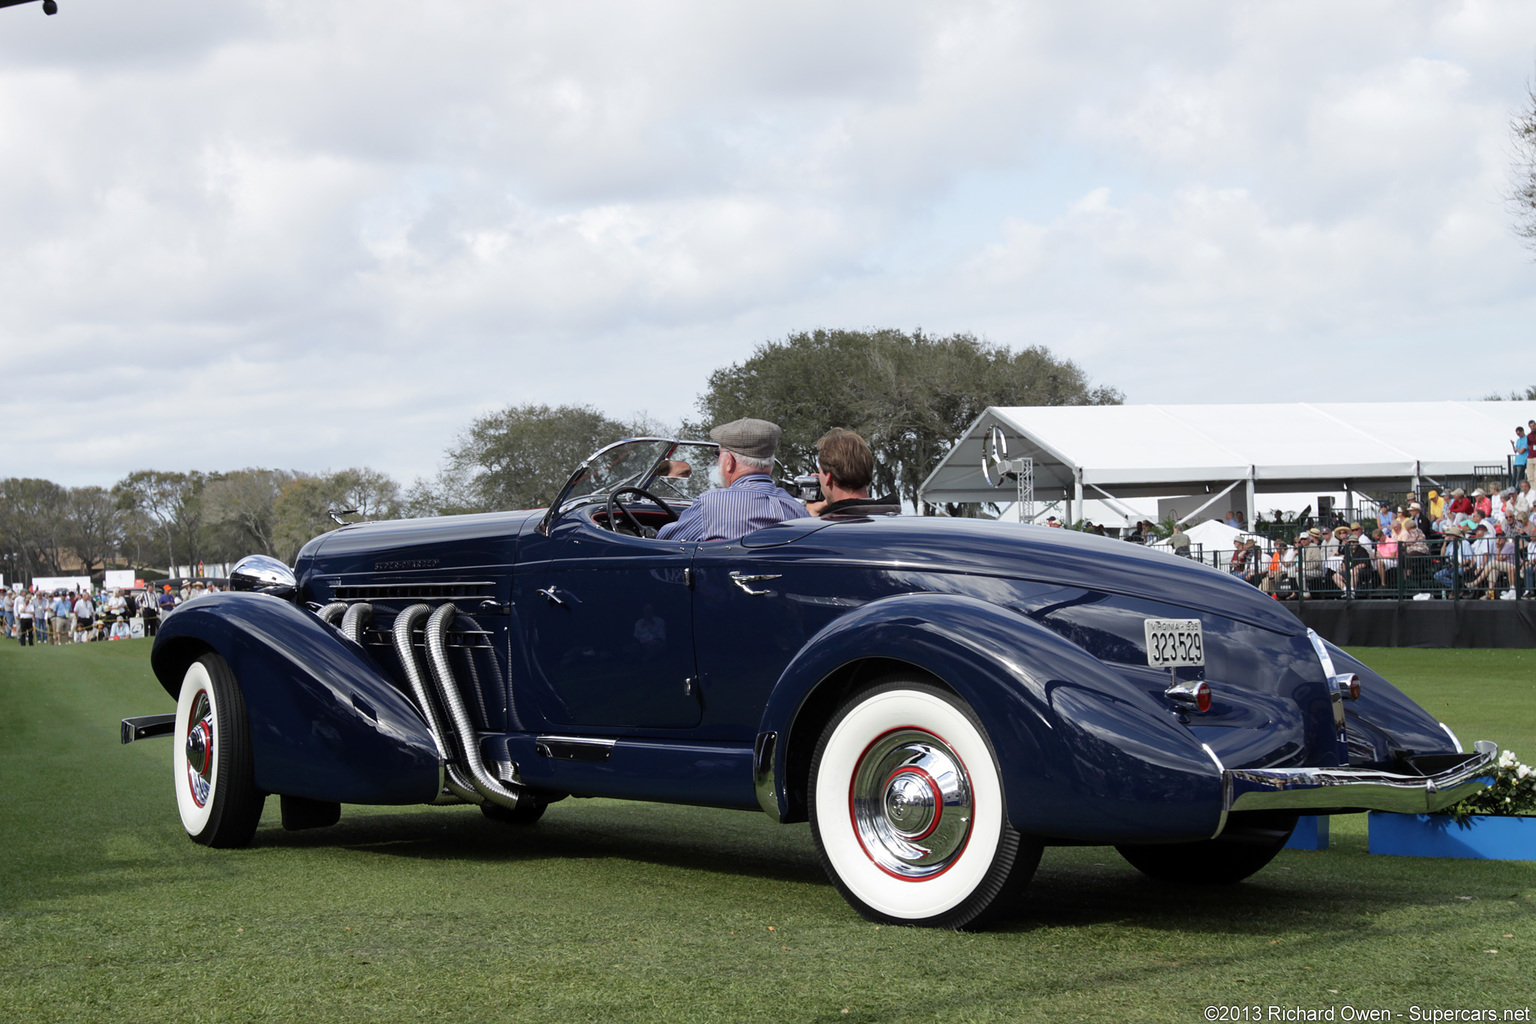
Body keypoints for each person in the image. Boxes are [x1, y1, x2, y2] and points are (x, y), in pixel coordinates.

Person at [655, 418, 809, 542]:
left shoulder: (710, 505)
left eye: (718, 453)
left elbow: (664, 542)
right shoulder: (799, 511)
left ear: (729, 461)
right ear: (771, 464)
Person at [804, 428, 899, 517]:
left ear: (829, 477)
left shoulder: (827, 529)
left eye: (820, 473)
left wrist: (810, 519)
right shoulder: (894, 516)